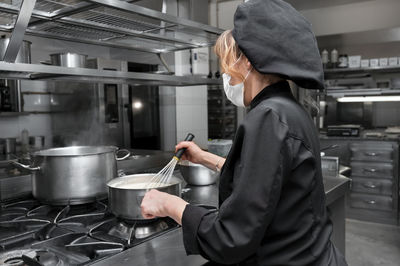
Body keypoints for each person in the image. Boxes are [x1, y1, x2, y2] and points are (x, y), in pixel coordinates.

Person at [141, 0, 348, 265]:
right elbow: (267, 177)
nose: (226, 74)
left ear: (248, 61)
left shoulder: (268, 118)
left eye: (228, 63)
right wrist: (206, 158)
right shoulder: (288, 110)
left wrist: (168, 204)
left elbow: (230, 238)